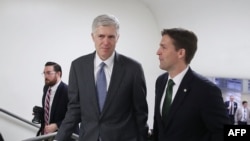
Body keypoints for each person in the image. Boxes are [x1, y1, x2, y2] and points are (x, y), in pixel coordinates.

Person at [55, 14, 149, 141]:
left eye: (111, 37)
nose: (106, 42)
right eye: (101, 36)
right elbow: (74, 110)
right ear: (93, 37)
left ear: (118, 38)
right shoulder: (78, 66)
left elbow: (140, 113)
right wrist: (58, 139)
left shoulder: (133, 69)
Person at [152, 28, 230, 141]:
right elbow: (159, 125)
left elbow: (222, 132)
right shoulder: (161, 81)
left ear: (181, 53)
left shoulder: (206, 90)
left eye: (163, 47)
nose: (158, 52)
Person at [37, 62, 79, 138]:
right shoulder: (46, 88)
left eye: (49, 73)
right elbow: (52, 111)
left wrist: (57, 125)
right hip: (49, 136)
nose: (45, 76)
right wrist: (41, 113)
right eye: (44, 73)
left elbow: (76, 115)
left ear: (58, 74)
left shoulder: (68, 91)